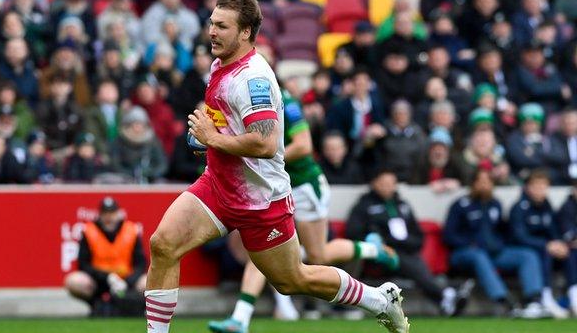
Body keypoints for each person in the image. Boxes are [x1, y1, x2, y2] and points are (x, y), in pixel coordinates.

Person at [144, 0, 409, 333]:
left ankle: (377, 299)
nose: (212, 32)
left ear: (245, 32)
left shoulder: (253, 79)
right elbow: (225, 124)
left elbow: (267, 144)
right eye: (212, 24)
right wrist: (207, 139)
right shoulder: (219, 63)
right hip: (218, 186)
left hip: (261, 198)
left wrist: (213, 138)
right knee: (163, 244)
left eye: (222, 26)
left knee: (293, 279)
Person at [208, 86, 399, 332]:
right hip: (275, 188)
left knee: (318, 255)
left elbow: (304, 145)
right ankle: (240, 318)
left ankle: (372, 248)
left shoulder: (286, 101)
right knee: (261, 249)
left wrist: (265, 159)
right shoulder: (241, 102)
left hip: (304, 186)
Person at [346, 168, 470, 316]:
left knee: (411, 260)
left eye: (391, 183)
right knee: (408, 260)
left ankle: (444, 298)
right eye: (383, 183)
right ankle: (445, 294)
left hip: (406, 252)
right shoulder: (364, 206)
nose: (387, 187)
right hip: (379, 256)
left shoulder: (403, 205)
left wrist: (407, 243)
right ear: (374, 184)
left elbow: (418, 235)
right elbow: (353, 232)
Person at [443, 169, 547, 318]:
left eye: (488, 182)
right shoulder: (460, 205)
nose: (485, 185)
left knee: (527, 255)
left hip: (493, 253)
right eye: (481, 181)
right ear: (473, 184)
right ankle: (505, 301)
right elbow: (449, 235)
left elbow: (501, 230)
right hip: (465, 253)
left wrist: (501, 243)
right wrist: (468, 243)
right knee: (479, 256)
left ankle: (534, 301)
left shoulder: (495, 204)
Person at [64, 196, 147, 314]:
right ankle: (95, 304)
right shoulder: (89, 231)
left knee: (149, 282)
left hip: (126, 281)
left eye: (112, 213)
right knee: (74, 281)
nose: (109, 217)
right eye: (105, 213)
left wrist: (127, 281)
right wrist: (107, 277)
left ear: (118, 213)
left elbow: (141, 263)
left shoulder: (130, 230)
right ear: (100, 214)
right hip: (99, 281)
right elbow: (83, 265)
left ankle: (136, 306)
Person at [508, 169, 573, 318]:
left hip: (547, 247)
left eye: (543, 186)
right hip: (526, 249)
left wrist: (560, 244)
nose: (540, 190)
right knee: (542, 253)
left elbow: (554, 230)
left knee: (570, 252)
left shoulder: (547, 206)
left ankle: (573, 295)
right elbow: (519, 236)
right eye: (536, 186)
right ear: (528, 187)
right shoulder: (519, 208)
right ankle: (545, 296)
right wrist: (546, 245)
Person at [557, 183, 577, 315]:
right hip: (568, 250)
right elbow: (569, 235)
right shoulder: (567, 207)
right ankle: (574, 297)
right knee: (571, 253)